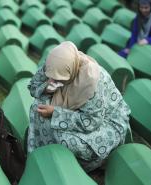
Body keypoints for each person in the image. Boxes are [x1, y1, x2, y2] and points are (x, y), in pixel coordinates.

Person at [27, 41, 131, 172]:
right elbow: (33, 87)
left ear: (72, 71)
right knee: (37, 107)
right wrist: (47, 88)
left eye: (59, 79)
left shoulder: (93, 81)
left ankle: (75, 166)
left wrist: (55, 113)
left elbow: (92, 121)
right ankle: (41, 157)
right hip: (74, 110)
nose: (53, 81)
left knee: (66, 140)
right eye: (51, 77)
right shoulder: (55, 64)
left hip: (106, 122)